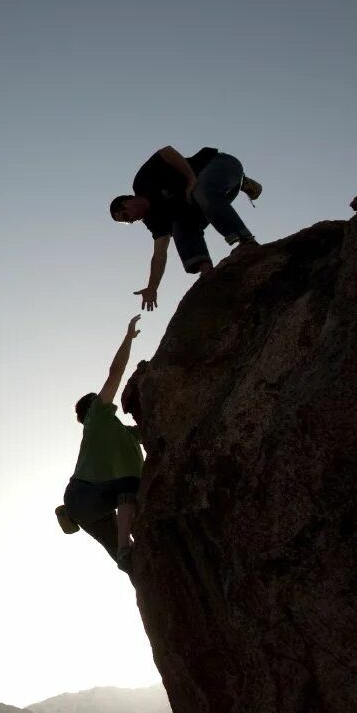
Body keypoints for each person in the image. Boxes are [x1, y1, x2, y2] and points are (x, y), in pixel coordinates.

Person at [110, 146, 262, 310]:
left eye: (126, 217)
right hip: (215, 197)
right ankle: (206, 271)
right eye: (128, 222)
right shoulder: (154, 220)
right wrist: (152, 287)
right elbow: (159, 254)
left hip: (221, 164)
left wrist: (191, 179)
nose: (132, 221)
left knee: (199, 190)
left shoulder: (142, 182)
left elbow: (167, 151)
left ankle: (246, 240)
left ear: (126, 202)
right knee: (179, 224)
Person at [55, 316, 144, 572]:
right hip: (86, 495)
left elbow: (149, 430)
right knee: (130, 485)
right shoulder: (97, 416)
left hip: (94, 506)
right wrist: (128, 338)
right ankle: (126, 548)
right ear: (92, 406)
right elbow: (115, 371)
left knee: (126, 561)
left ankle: (130, 559)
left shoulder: (125, 432)